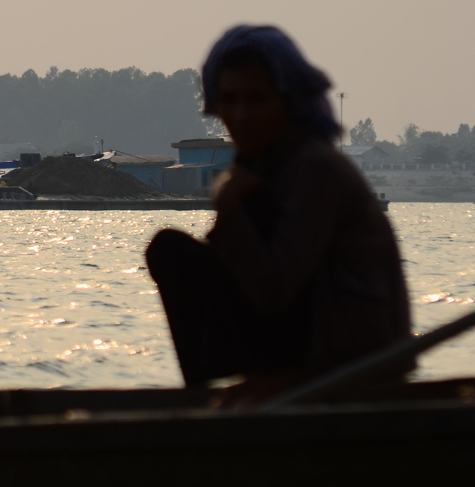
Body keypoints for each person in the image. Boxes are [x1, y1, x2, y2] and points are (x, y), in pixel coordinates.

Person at [146, 25, 412, 403]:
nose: (241, 115)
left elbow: (274, 290)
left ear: (288, 102)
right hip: (312, 343)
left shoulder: (314, 168)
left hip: (356, 356)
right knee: (172, 253)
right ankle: (216, 399)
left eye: (257, 100)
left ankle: (274, 383)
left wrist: (228, 204)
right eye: (229, 101)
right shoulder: (262, 166)